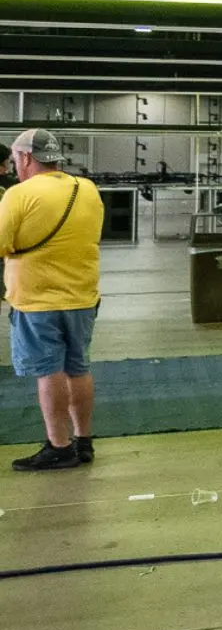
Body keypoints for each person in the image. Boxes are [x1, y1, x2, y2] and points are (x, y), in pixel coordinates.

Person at [2, 128, 105, 472]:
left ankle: (59, 447)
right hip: (82, 297)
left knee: (49, 372)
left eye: (15, 159)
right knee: (78, 368)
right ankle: (83, 441)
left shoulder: (19, 194)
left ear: (26, 157)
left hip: (37, 301)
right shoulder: (86, 189)